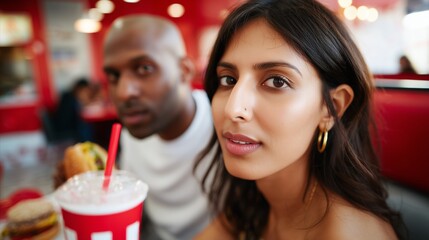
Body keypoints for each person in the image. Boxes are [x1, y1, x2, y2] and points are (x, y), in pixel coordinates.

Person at [194, 0, 406, 239]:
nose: (234, 108)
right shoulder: (253, 202)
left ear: (331, 108)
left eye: (277, 82)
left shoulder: (349, 234)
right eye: (228, 80)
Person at [102, 14, 214, 240]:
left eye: (144, 68)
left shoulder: (223, 125)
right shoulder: (131, 133)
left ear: (184, 71)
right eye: (114, 76)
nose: (124, 92)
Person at [52, 77, 94, 143]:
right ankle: (88, 143)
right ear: (80, 89)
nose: (87, 92)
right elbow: (78, 113)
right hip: (66, 128)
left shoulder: (68, 96)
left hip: (65, 125)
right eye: (85, 90)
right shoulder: (69, 98)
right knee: (86, 126)